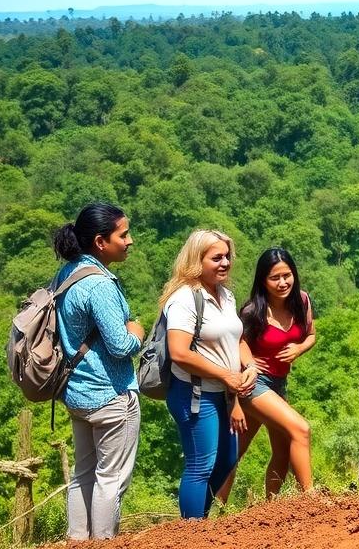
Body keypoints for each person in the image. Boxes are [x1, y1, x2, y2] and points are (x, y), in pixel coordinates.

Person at [53, 202, 145, 541]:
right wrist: (137, 330)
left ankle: (78, 540)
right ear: (100, 242)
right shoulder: (101, 285)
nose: (130, 241)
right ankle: (105, 542)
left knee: (83, 474)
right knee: (111, 479)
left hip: (77, 393)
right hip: (111, 395)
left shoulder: (67, 273)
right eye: (123, 235)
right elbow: (120, 345)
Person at [160, 229, 256, 519]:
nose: (225, 263)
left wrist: (249, 365)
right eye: (216, 258)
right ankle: (192, 532)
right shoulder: (185, 298)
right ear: (196, 260)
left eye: (227, 256)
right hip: (194, 392)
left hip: (223, 393)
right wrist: (227, 376)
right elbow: (179, 352)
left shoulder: (225, 295)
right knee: (201, 464)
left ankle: (198, 520)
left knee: (226, 460)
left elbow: (237, 339)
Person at [216, 247, 317, 502]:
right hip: (253, 385)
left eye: (287, 275)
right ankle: (311, 499)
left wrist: (299, 349)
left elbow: (311, 335)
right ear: (263, 280)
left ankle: (269, 508)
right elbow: (235, 348)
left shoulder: (301, 301)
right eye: (275, 278)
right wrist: (236, 402)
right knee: (300, 429)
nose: (283, 283)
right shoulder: (253, 312)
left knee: (279, 450)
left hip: (279, 385)